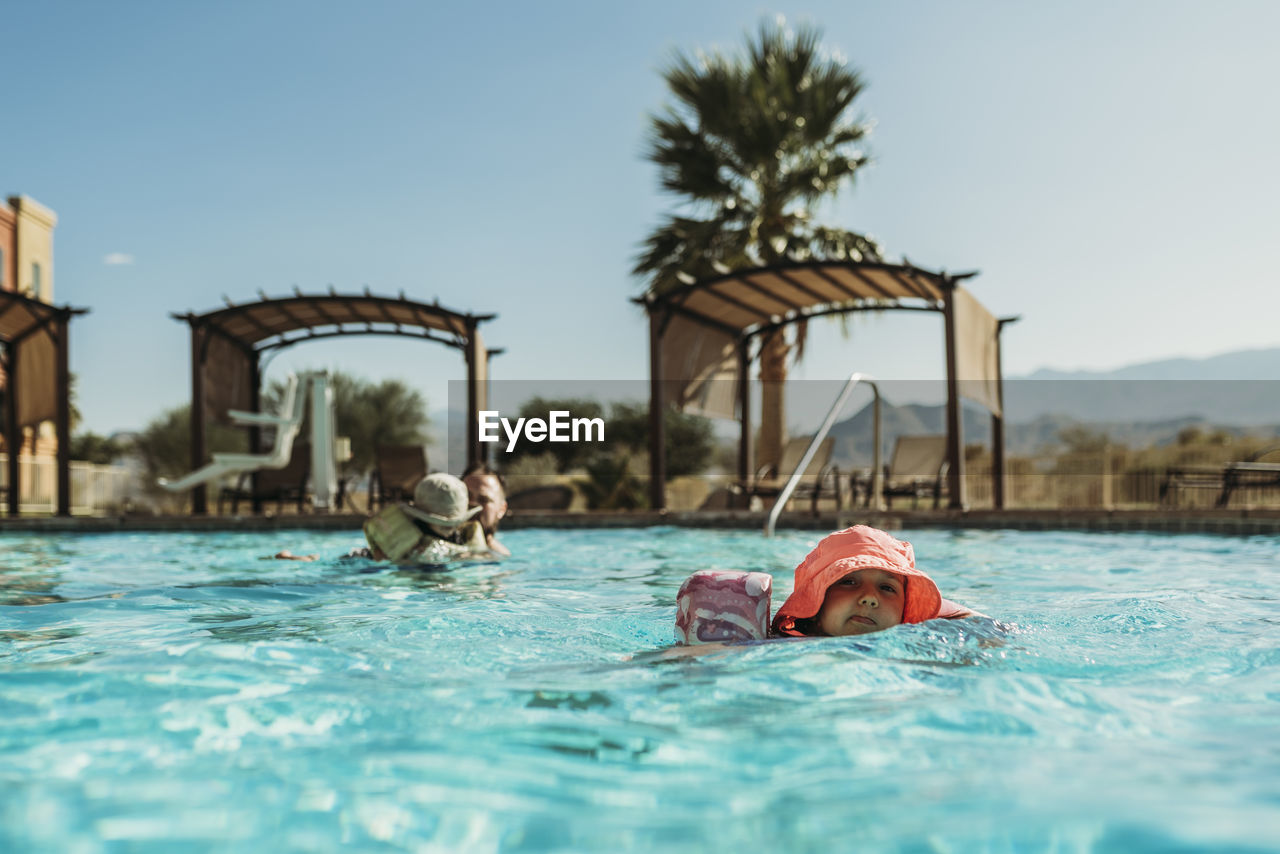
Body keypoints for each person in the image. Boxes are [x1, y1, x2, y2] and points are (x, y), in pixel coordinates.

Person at [771, 525, 979, 637]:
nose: (870, 598)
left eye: (887, 588)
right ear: (814, 605)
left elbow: (986, 628)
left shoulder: (917, 649)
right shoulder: (777, 648)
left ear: (903, 614)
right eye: (849, 582)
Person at [362, 472, 490, 563]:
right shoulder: (408, 539)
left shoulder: (462, 536)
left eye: (456, 522)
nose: (451, 527)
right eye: (443, 523)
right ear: (422, 518)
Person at [461, 462, 510, 557]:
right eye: (466, 496)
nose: (472, 504)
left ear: (502, 509)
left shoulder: (500, 559)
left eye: (483, 500)